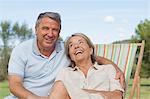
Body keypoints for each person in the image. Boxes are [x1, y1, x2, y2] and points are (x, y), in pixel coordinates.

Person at [6, 12, 125, 99]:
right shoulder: (21, 50)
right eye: (45, 28)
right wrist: (33, 98)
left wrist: (116, 69)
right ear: (36, 30)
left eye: (55, 30)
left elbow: (94, 58)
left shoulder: (64, 49)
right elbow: (14, 84)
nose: (50, 34)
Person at [49, 33, 124, 99]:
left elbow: (118, 96)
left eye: (80, 42)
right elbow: (57, 94)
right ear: (70, 56)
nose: (76, 46)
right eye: (71, 45)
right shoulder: (65, 73)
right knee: (59, 85)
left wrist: (78, 93)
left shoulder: (108, 69)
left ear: (91, 50)